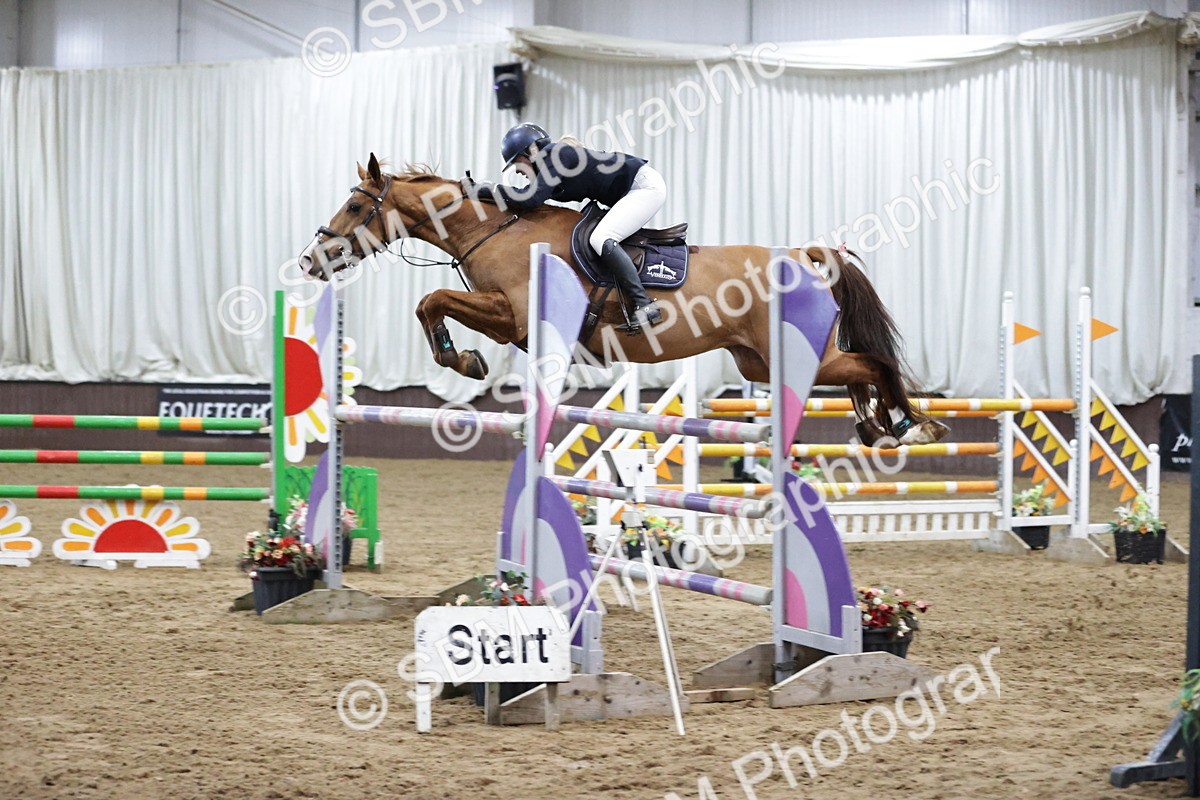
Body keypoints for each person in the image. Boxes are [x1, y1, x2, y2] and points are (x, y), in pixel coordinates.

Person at [473, 123, 665, 327]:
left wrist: (487, 190)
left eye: (517, 163)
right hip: (631, 190)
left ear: (530, 152)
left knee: (601, 238)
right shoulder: (551, 164)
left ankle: (645, 304)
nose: (518, 171)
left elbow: (530, 199)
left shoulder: (554, 154)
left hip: (643, 187)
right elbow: (525, 198)